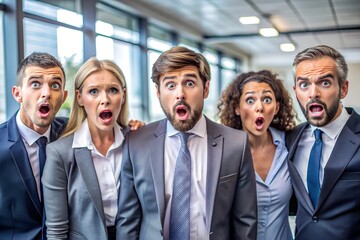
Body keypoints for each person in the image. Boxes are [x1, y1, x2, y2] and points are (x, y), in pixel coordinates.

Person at [116, 46, 257, 240]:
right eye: (170, 85)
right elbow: (127, 221)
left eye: (189, 83)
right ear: (158, 92)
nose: (180, 94)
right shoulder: (136, 143)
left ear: (206, 88)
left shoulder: (236, 144)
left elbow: (245, 222)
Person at [41, 57, 133, 240]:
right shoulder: (59, 153)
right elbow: (56, 232)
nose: (104, 100)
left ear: (123, 96)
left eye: (113, 90)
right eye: (93, 91)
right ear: (80, 98)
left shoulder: (137, 142)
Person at [286, 45, 360, 239]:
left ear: (343, 88)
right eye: (304, 85)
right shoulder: (291, 138)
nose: (313, 93)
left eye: (325, 83)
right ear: (296, 91)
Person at [217, 70, 298, 240]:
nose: (259, 107)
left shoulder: (291, 144)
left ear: (276, 107)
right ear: (237, 108)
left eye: (267, 99)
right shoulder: (222, 152)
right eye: (250, 100)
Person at [0, 52, 68, 240]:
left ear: (64, 96)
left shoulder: (73, 132)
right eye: (35, 83)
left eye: (55, 85)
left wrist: (134, 127)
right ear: (17, 93)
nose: (46, 93)